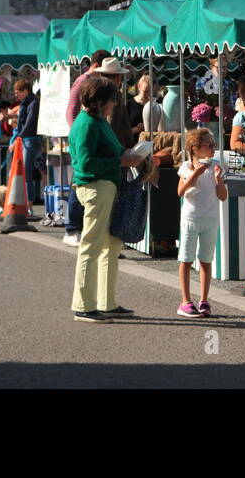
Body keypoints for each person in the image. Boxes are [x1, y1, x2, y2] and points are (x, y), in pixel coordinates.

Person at [69, 76, 140, 323]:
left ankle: (106, 302)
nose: (114, 104)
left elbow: (110, 151)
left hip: (104, 186)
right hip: (95, 187)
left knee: (110, 245)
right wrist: (121, 160)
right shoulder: (88, 124)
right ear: (99, 102)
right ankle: (84, 306)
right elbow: (86, 163)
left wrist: (129, 155)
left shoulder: (96, 121)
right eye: (112, 99)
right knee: (92, 245)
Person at [63, 50, 123, 247]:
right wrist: (77, 137)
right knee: (92, 244)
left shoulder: (99, 115)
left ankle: (72, 226)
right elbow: (72, 111)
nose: (114, 103)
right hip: (94, 179)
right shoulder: (87, 84)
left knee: (104, 244)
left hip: (102, 171)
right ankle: (71, 227)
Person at [176, 127, 228, 318]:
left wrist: (218, 179)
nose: (213, 148)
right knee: (186, 259)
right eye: (209, 145)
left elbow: (223, 197)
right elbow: (180, 191)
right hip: (191, 218)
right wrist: (196, 174)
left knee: (206, 260)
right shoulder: (187, 167)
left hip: (211, 219)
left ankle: (204, 300)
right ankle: (185, 301)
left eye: (214, 144)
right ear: (195, 148)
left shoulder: (216, 165)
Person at [12, 78, 42, 205]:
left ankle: (29, 204)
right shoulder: (24, 103)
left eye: (18, 92)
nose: (16, 94)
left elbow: (30, 124)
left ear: (25, 91)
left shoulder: (34, 103)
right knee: (22, 173)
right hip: (24, 139)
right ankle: (24, 202)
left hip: (30, 140)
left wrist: (18, 138)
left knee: (26, 173)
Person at [127, 72, 166, 137]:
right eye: (146, 91)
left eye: (151, 92)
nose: (148, 96)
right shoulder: (130, 104)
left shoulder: (156, 105)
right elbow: (123, 132)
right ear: (139, 86)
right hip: (134, 144)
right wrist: (137, 129)